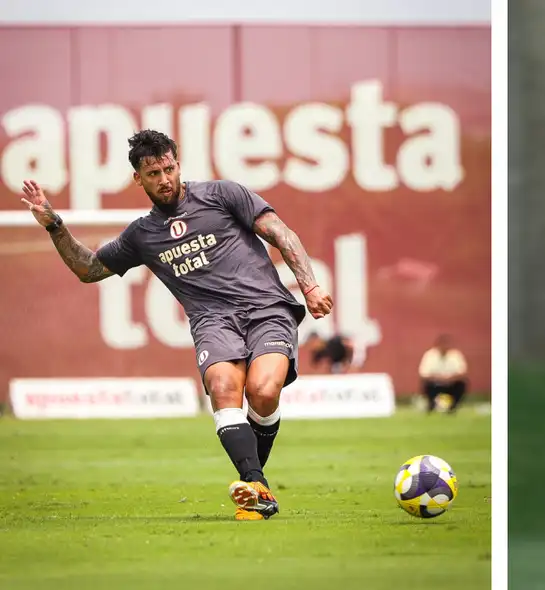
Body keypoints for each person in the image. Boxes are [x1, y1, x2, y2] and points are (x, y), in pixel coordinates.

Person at [17, 129, 333, 522]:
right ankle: (256, 486)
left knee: (263, 392)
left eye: (169, 169)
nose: (164, 179)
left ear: (177, 164)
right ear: (138, 179)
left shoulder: (223, 195)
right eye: (153, 174)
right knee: (223, 387)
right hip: (213, 321)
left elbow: (281, 233)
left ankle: (254, 485)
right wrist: (54, 225)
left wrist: (311, 285)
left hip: (267, 308)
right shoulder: (142, 234)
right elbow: (89, 268)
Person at [417, 334, 468, 413]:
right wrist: (439, 378)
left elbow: (462, 372)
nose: (444, 347)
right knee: (426, 384)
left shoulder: (455, 355)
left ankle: (453, 407)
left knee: (462, 383)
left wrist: (450, 378)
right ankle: (431, 405)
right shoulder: (430, 355)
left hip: (451, 382)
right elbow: (424, 374)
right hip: (435, 383)